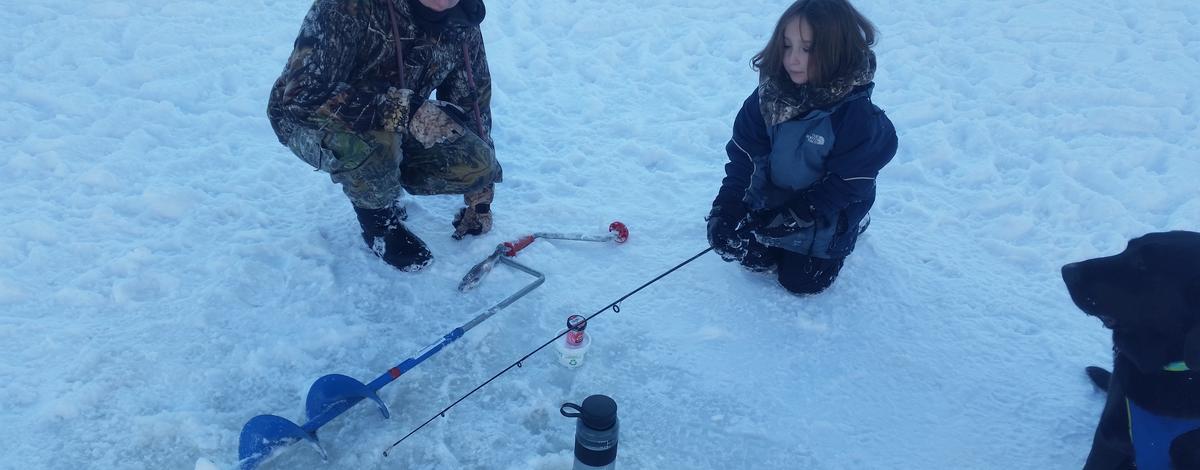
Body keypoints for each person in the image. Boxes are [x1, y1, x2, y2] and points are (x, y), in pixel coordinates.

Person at [267, 0, 500, 272]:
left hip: (401, 119)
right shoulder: (345, 6)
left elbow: (472, 105)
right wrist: (404, 110)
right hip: (307, 119)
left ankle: (384, 179)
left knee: (478, 165)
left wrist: (480, 197)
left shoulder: (463, 21)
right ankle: (379, 224)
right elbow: (301, 97)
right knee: (376, 142)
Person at [706, 0, 897, 295]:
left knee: (802, 282)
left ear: (837, 50)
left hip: (827, 208)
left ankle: (854, 227)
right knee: (752, 258)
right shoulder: (766, 100)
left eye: (807, 49)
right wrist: (728, 207)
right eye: (786, 45)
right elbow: (745, 158)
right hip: (775, 200)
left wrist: (798, 215)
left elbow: (847, 183)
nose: (793, 59)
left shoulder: (856, 116)